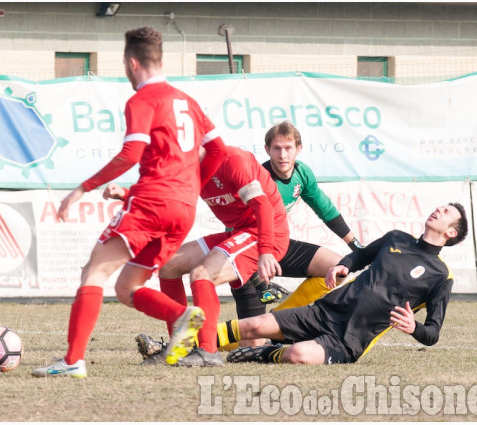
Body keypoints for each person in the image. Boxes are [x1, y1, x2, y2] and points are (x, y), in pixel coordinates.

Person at [31, 26, 226, 378]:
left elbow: (130, 154)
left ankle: (73, 360)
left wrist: (82, 188)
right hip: (183, 210)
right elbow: (217, 150)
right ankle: (181, 317)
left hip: (153, 202)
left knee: (94, 271)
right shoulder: (188, 101)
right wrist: (191, 184)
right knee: (126, 287)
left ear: (131, 63)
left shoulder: (142, 100)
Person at [221, 203, 469, 365]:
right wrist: (345, 265)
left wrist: (413, 327)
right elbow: (360, 256)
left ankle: (262, 353)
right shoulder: (397, 238)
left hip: (349, 339)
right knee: (254, 325)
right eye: (440, 207)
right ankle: (193, 342)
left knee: (299, 355)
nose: (438, 210)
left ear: (451, 233)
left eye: (446, 212)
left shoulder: (441, 276)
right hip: (324, 311)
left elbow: (433, 333)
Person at [135, 145, 290, 367]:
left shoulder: (232, 160)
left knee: (202, 274)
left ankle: (208, 353)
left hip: (267, 233)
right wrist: (126, 196)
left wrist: (265, 251)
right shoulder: (187, 170)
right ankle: (181, 347)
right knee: (169, 265)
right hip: (239, 232)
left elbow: (263, 207)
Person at [232, 121, 363, 322]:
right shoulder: (257, 179)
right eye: (276, 148)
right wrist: (255, 276)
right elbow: (233, 226)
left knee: (338, 268)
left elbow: (325, 209)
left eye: (288, 148)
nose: (282, 155)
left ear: (298, 149)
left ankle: (280, 317)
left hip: (277, 246)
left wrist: (355, 245)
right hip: (247, 254)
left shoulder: (302, 173)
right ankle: (206, 344)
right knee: (252, 338)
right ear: (267, 149)